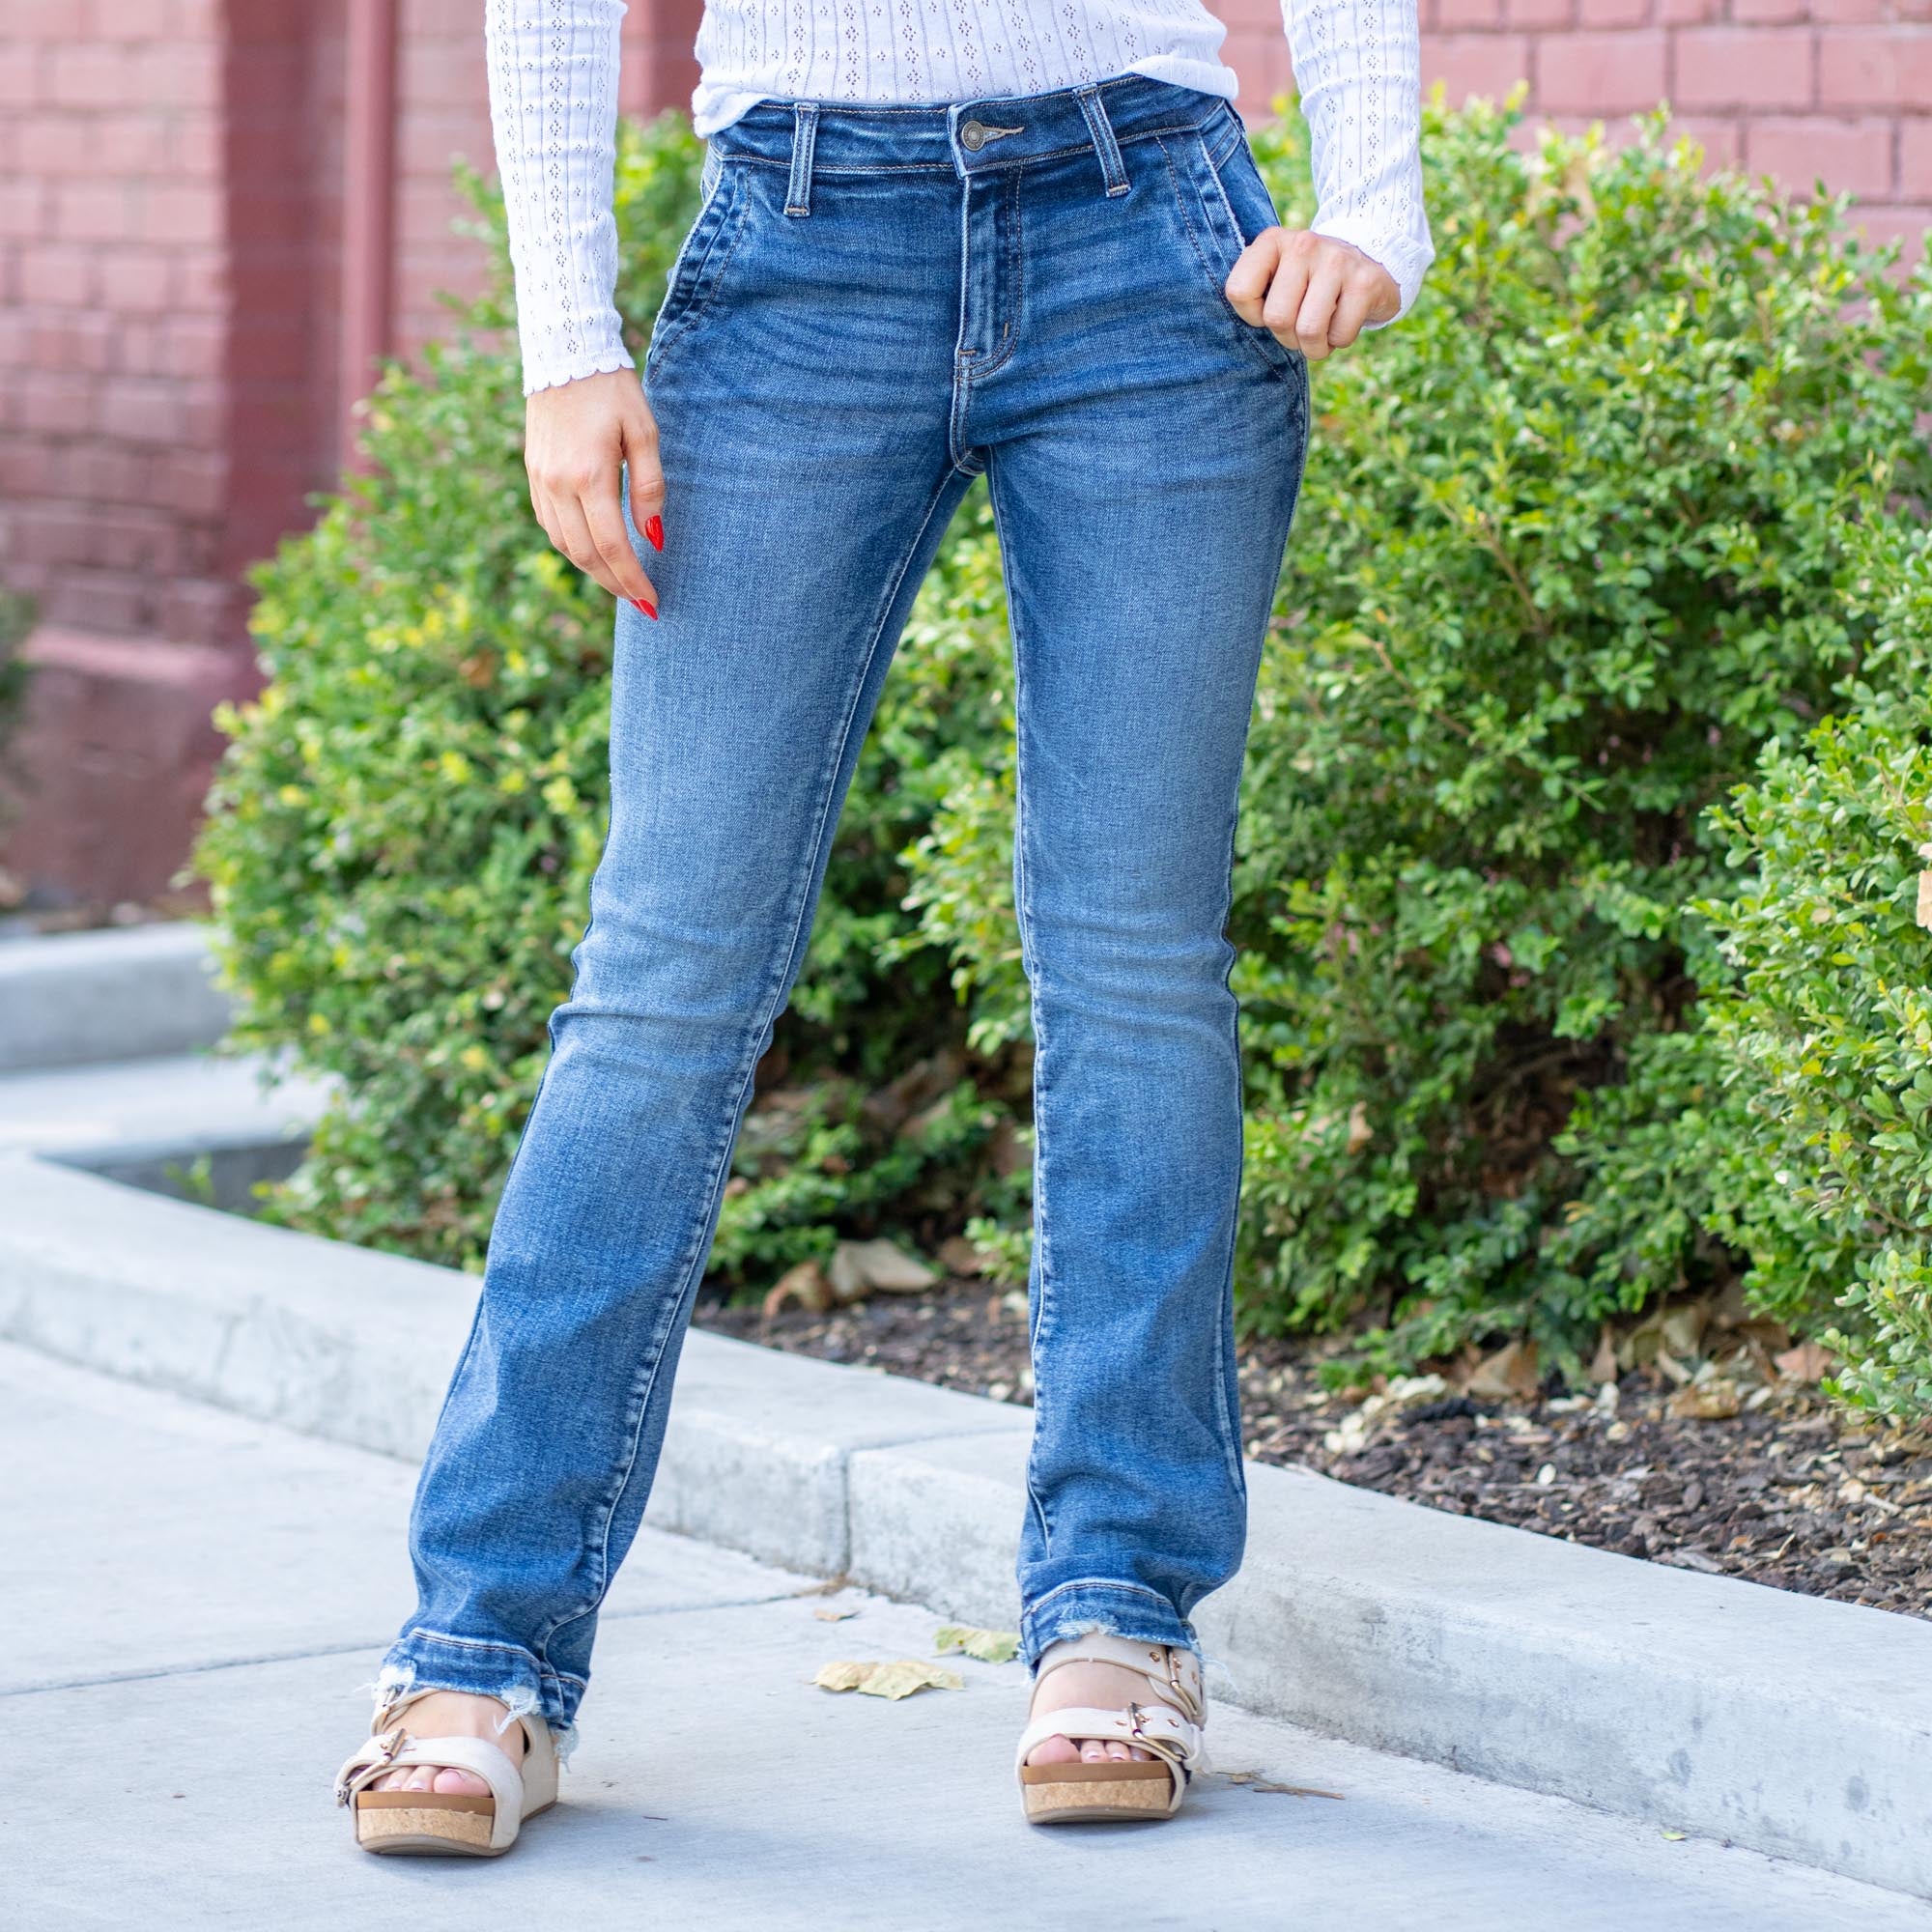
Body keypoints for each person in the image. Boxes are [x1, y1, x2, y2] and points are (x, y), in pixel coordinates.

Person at [334, 0, 1432, 1856]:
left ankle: (1120, 1610)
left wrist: (1378, 203)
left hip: (1152, 236)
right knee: (662, 986)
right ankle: (481, 1647)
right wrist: (566, 343)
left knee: (1136, 967)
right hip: (798, 245)